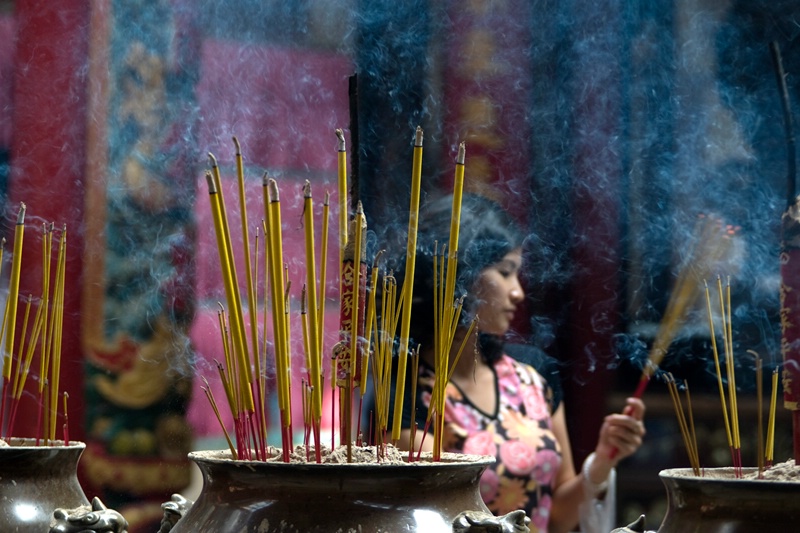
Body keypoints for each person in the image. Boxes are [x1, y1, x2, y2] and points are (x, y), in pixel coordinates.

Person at [392, 192, 646, 533]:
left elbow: (556, 518)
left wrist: (603, 459)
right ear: (458, 276)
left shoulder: (534, 375)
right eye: (505, 272)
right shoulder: (405, 393)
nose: (518, 292)